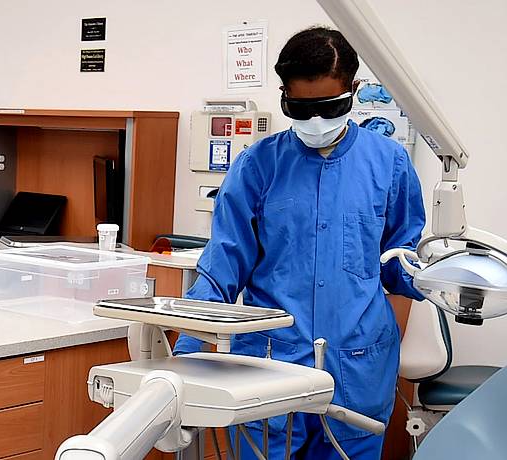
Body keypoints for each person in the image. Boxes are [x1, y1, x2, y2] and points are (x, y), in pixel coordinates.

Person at [173, 26, 426, 459]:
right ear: (284, 96)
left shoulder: (389, 163)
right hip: (269, 366)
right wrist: (183, 356)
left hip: (357, 367)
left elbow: (398, 259)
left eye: (327, 108)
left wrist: (445, 281)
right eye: (300, 108)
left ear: (353, 91)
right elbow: (221, 269)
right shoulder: (258, 166)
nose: (314, 121)